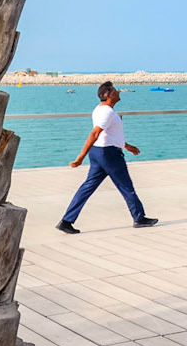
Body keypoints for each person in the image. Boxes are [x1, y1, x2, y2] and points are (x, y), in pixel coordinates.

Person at [56, 81, 158, 233]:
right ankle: (139, 218)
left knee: (87, 187)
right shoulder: (107, 112)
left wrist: (126, 146)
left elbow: (109, 134)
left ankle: (66, 221)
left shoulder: (100, 109)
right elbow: (95, 133)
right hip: (109, 154)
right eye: (115, 90)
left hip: (99, 152)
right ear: (107, 95)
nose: (118, 92)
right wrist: (81, 156)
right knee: (126, 187)